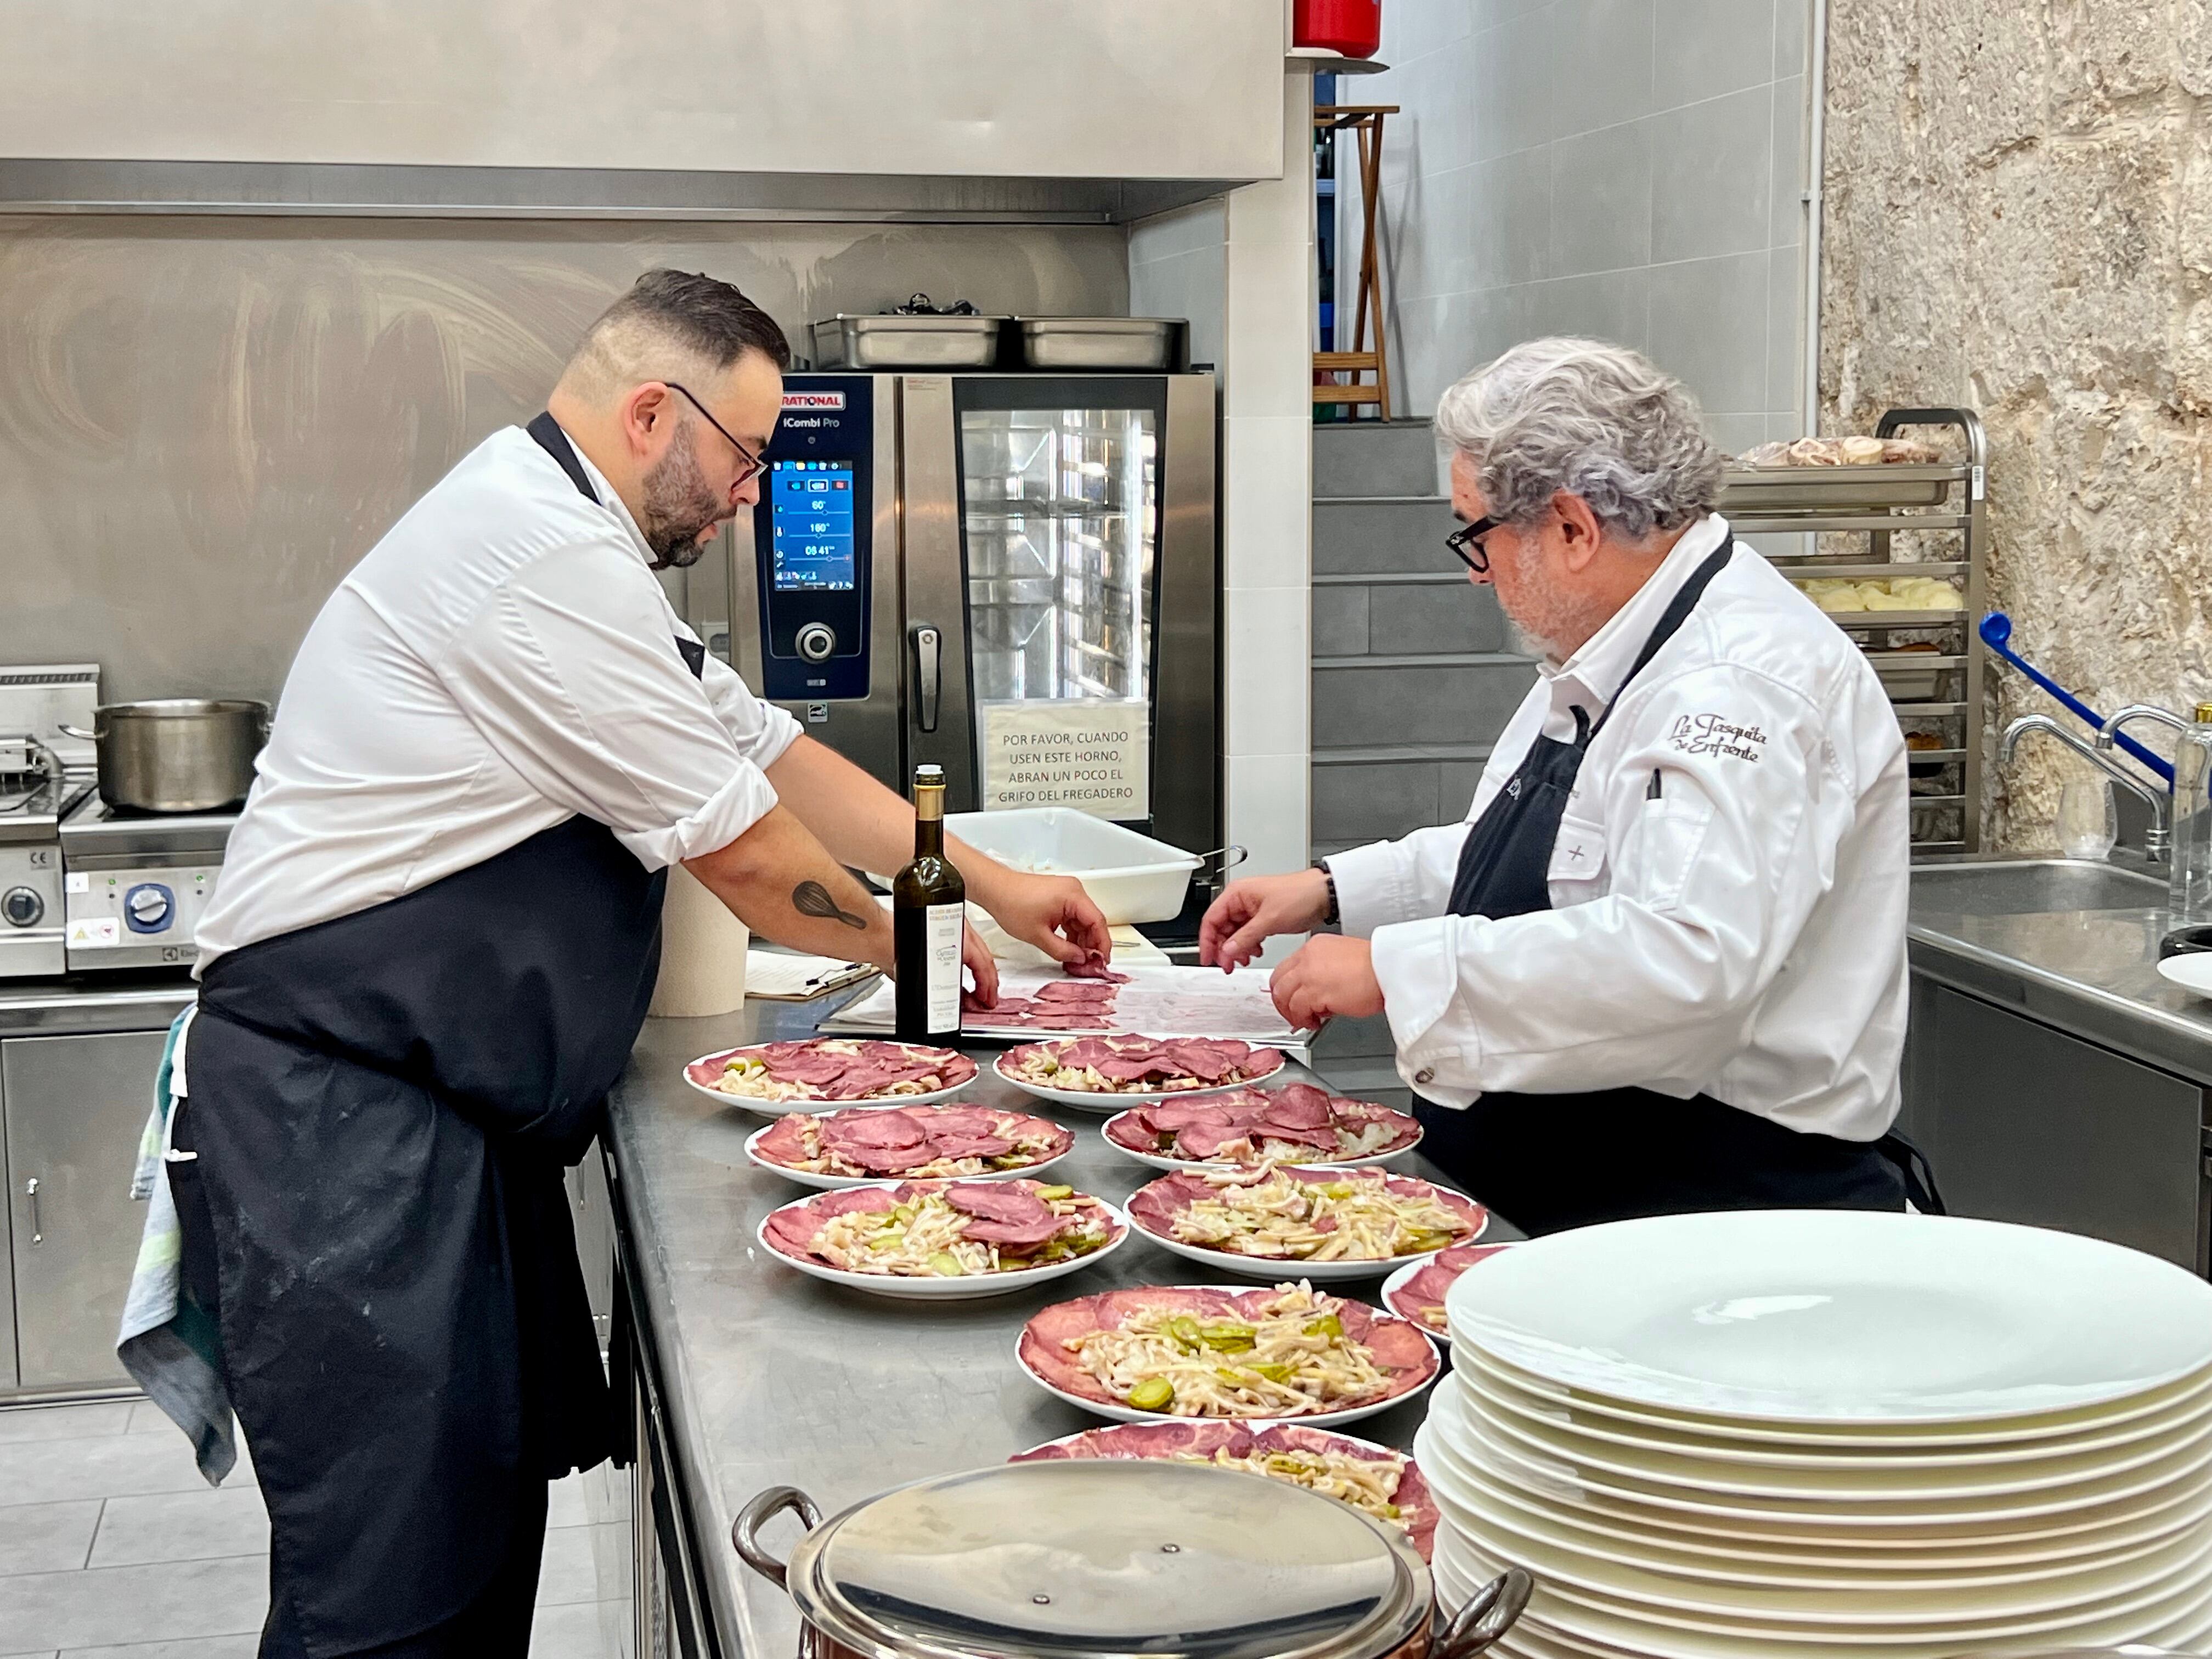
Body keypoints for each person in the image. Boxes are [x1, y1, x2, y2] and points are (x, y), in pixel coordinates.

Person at [165, 269, 1111, 1657]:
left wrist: (1000, 886)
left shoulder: (569, 534)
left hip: (427, 1122)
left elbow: (768, 750)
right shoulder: (534, 557)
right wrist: (914, 942)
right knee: (384, 1596)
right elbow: (744, 854)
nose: (753, 492)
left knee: (467, 1549)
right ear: (653, 411)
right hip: (341, 1128)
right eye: (747, 455)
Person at [1201, 337, 1936, 1235]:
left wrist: (1397, 970)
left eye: (1479, 535)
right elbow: (1554, 857)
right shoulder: (1626, 642)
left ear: (1572, 528)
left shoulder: (1737, 681)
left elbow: (1684, 958)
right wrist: (1334, 893)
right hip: (1574, 1183)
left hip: (1709, 1207)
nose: (1477, 574)